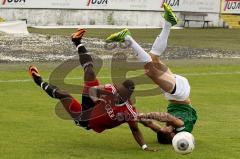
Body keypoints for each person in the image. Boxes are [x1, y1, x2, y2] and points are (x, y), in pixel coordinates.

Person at [28, 29, 157, 151]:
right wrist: (96, 97)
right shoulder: (112, 89)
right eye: (118, 89)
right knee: (89, 71)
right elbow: (94, 90)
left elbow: (135, 130)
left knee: (64, 95)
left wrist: (145, 147)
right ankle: (77, 41)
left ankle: (38, 81)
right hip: (92, 103)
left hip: (85, 119)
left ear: (126, 96)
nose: (117, 92)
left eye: (120, 92)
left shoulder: (128, 112)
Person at [106, 3, 197, 144]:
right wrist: (145, 115)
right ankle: (128, 38)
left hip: (176, 92)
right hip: (179, 94)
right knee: (150, 71)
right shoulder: (181, 128)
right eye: (165, 130)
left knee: (154, 58)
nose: (163, 128)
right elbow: (165, 117)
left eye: (161, 130)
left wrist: (137, 117)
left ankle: (168, 22)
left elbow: (151, 124)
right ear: (172, 135)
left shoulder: (169, 130)